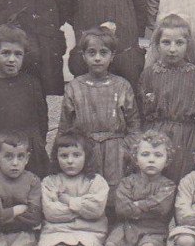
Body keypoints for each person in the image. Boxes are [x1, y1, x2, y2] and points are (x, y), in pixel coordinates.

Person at [58, 27, 140, 201]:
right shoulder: (75, 87)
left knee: (115, 197)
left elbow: (134, 126)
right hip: (86, 150)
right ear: (83, 56)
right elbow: (65, 128)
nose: (97, 58)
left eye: (103, 53)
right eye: (91, 52)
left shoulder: (122, 85)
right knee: (88, 195)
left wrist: (125, 150)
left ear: (112, 56)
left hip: (116, 151)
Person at [38, 129, 109, 246]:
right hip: (57, 230)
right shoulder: (50, 182)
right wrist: (80, 211)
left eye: (76, 155)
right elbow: (51, 213)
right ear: (56, 157)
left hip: (89, 231)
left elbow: (96, 210)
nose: (70, 161)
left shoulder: (95, 181)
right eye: (64, 156)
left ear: (87, 156)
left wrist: (68, 201)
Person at [105, 130, 177, 246]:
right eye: (145, 155)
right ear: (136, 159)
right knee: (111, 245)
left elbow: (162, 207)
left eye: (158, 155)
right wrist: (146, 206)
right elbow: (121, 208)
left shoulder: (168, 185)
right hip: (127, 228)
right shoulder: (128, 182)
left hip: (155, 230)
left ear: (167, 160)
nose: (151, 159)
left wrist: (135, 205)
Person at [138, 14, 195, 182]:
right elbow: (141, 112)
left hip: (187, 138)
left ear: (188, 45)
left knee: (183, 181)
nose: (172, 49)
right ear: (156, 44)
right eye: (166, 42)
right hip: (156, 136)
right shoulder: (149, 74)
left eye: (179, 43)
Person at [0, 24, 49, 180]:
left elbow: (42, 120)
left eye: (18, 54)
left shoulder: (32, 84)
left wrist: (36, 144)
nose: (11, 59)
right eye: (5, 53)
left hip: (28, 151)